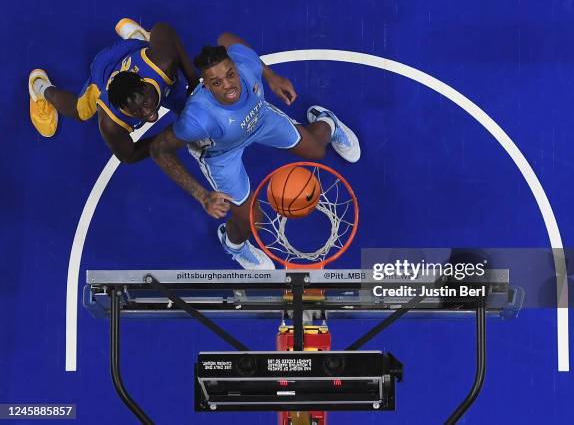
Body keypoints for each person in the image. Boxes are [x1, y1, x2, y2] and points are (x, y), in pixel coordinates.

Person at [150, 32, 360, 270]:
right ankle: (233, 244)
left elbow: (226, 38)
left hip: (260, 120)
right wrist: (201, 195)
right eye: (217, 83)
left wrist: (271, 76)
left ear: (236, 68)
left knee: (317, 152)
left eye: (230, 75)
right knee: (251, 222)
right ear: (206, 86)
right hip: (221, 155)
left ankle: (328, 122)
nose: (228, 85)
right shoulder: (197, 119)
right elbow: (159, 150)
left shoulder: (246, 64)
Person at [28, 19, 198, 163]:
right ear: (121, 109)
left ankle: (137, 38)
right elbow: (128, 155)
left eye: (145, 104)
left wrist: (193, 81)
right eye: (136, 112)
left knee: (187, 104)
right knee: (80, 111)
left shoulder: (162, 63)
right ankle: (40, 88)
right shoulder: (110, 122)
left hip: (134, 50)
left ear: (145, 86)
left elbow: (163, 29)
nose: (150, 115)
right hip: (104, 67)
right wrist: (173, 137)